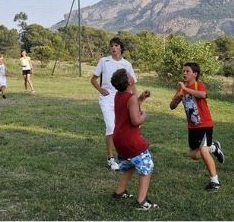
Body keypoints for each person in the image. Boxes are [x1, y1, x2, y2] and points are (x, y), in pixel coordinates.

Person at [168, 62, 225, 191]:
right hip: (192, 126)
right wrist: (177, 98)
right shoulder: (181, 89)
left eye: (187, 71)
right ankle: (214, 148)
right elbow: (171, 106)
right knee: (194, 155)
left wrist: (186, 89)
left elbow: (203, 95)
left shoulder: (198, 85)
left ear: (195, 74)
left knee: (203, 150)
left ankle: (215, 182)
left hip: (204, 124)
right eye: (183, 71)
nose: (184, 73)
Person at [108, 69, 158, 210]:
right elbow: (136, 120)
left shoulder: (119, 95)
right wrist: (144, 116)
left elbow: (130, 107)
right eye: (130, 75)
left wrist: (141, 98)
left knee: (129, 166)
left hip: (119, 140)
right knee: (147, 167)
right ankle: (142, 202)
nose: (132, 76)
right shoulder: (131, 98)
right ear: (129, 82)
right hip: (131, 142)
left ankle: (119, 192)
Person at [91, 37, 137, 170]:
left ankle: (125, 155)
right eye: (111, 45)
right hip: (107, 98)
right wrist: (100, 89)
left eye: (116, 45)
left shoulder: (127, 64)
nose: (113, 48)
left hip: (123, 97)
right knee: (111, 126)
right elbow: (93, 79)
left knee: (124, 127)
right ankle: (111, 159)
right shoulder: (103, 61)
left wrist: (136, 102)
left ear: (121, 48)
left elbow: (132, 84)